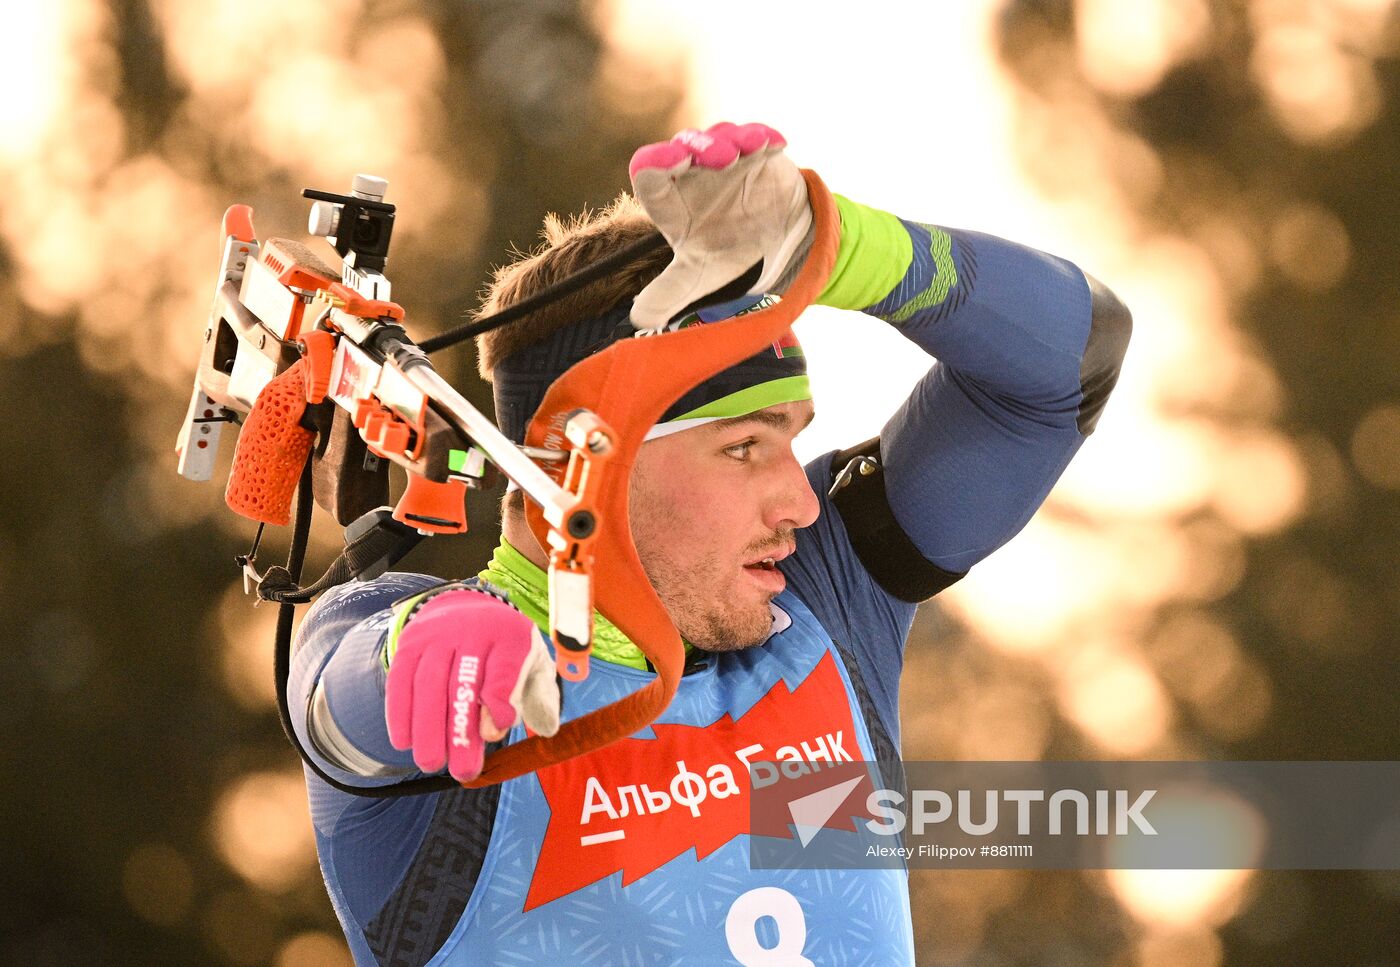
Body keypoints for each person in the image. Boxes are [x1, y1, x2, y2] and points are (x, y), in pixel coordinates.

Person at [288, 122, 1132, 965]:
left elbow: (1071, 360)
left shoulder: (826, 600)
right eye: (744, 447)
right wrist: (407, 656)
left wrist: (833, 253)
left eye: (793, 440)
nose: (802, 501)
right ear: (588, 464)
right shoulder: (453, 664)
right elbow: (332, 699)